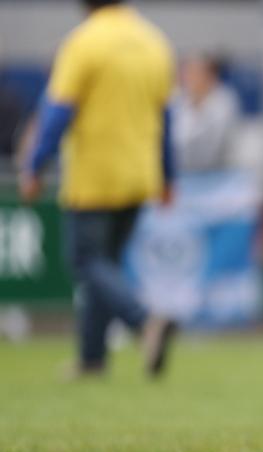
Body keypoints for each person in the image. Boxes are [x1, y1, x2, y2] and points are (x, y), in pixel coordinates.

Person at [17, 0, 178, 377]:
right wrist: (169, 176)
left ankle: (145, 322)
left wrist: (36, 164)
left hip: (96, 174)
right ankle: (92, 359)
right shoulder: (154, 41)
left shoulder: (84, 42)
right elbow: (166, 116)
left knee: (86, 261)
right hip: (141, 174)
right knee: (106, 264)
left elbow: (59, 109)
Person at [172, 54, 240, 174]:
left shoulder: (224, 103)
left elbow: (212, 150)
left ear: (210, 76)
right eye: (187, 72)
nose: (189, 78)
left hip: (217, 173)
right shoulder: (178, 100)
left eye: (195, 73)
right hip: (183, 174)